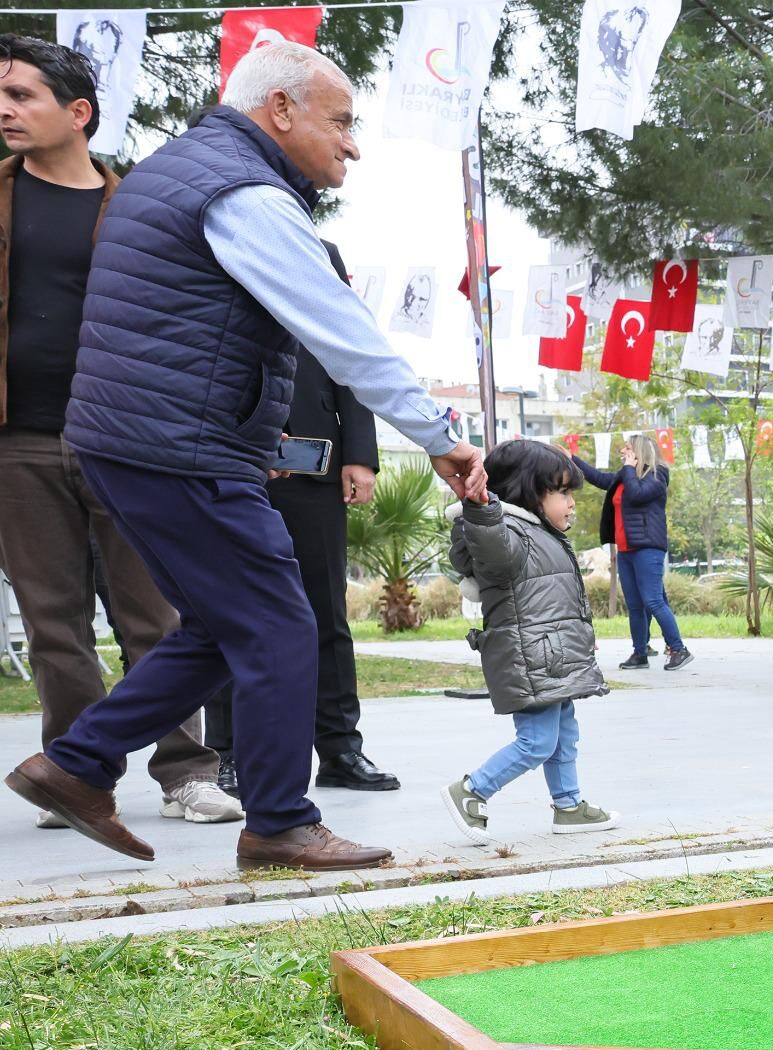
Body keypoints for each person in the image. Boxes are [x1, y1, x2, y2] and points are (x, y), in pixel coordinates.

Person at [3, 40, 485, 872]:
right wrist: (440, 436)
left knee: (226, 626)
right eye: (342, 122)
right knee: (280, 624)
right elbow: (341, 331)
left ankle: (76, 764)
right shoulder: (245, 193)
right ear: (280, 110)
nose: (353, 145)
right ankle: (280, 823)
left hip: (133, 440)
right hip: (180, 447)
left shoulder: (171, 170)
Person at [0, 37, 236, 831]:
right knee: (53, 623)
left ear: (79, 112)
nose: (5, 110)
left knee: (157, 616)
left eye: (22, 95)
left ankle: (186, 773)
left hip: (128, 436)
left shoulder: (138, 204)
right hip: (19, 440)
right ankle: (75, 772)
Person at [204, 238, 399, 795]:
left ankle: (339, 749)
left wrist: (360, 453)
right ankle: (228, 753)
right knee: (230, 614)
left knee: (325, 613)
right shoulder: (216, 239)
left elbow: (349, 350)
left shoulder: (320, 251)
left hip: (316, 466)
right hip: (231, 459)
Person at [439, 440, 614, 843]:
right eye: (562, 492)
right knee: (537, 742)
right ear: (528, 492)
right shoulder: (508, 534)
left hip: (552, 657)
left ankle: (569, 806)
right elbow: (493, 549)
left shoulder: (542, 534)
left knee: (564, 736)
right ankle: (472, 790)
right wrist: (481, 506)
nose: (571, 502)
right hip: (530, 660)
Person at [572, 432, 686, 671]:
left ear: (638, 452)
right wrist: (571, 458)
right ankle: (640, 653)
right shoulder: (626, 476)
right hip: (625, 550)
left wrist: (628, 470)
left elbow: (637, 494)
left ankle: (678, 649)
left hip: (647, 549)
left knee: (653, 600)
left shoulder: (657, 475)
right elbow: (599, 478)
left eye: (626, 448)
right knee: (635, 605)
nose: (622, 451)